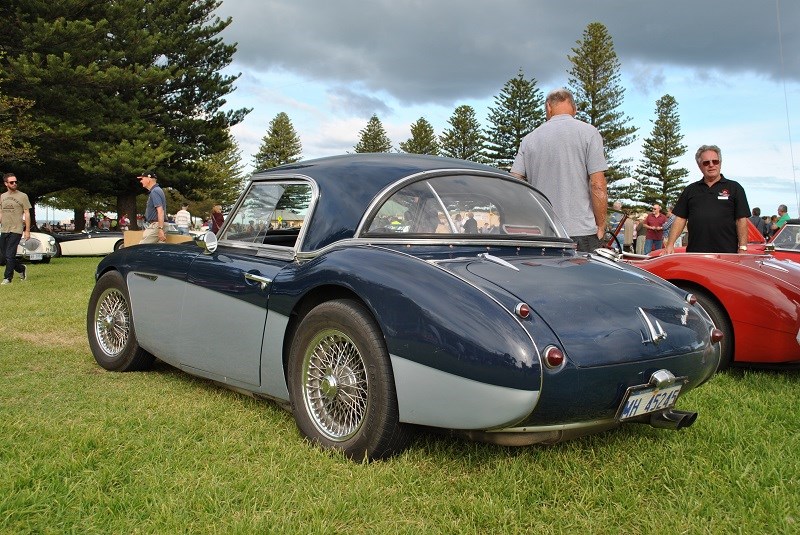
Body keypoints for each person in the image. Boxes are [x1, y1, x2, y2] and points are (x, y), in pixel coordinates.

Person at [510, 87, 608, 252]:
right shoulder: (589, 133)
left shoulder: (529, 139)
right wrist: (601, 225)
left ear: (548, 107)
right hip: (580, 232)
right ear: (574, 108)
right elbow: (598, 184)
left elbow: (514, 182)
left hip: (542, 233)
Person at [664, 145, 750, 254]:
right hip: (695, 254)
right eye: (706, 163)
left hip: (727, 254)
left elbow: (741, 220)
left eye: (715, 161)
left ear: (720, 163)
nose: (711, 165)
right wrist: (670, 244)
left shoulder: (735, 188)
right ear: (699, 166)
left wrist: (743, 248)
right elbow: (680, 219)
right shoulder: (690, 190)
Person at [0, 173, 31, 284]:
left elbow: (27, 213)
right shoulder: (2, 196)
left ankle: (7, 278)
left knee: (10, 254)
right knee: (3, 257)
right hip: (4, 229)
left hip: (16, 229)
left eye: (15, 182)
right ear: (6, 184)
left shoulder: (23, 196)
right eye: (11, 182)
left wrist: (27, 230)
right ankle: (21, 268)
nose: (14, 184)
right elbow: (1, 211)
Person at [137, 171, 167, 244]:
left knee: (141, 248)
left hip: (157, 225)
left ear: (148, 179)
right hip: (160, 224)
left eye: (142, 179)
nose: (141, 181)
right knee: (157, 251)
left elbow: (160, 211)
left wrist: (160, 229)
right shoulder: (157, 190)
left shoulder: (155, 191)